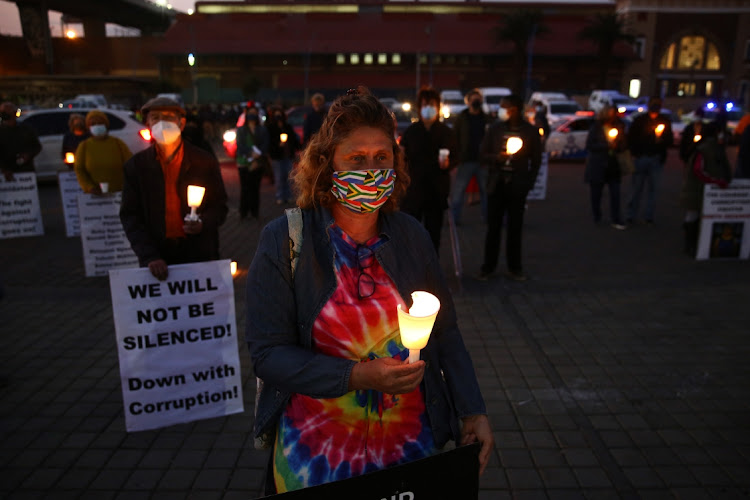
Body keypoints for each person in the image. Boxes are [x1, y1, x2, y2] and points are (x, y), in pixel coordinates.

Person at [246, 87, 493, 494]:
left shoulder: (410, 236)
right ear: (327, 166)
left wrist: (472, 410)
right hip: (317, 458)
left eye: (382, 158)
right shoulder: (285, 241)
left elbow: (445, 332)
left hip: (409, 454)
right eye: (356, 160)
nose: (371, 171)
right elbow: (268, 355)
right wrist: (358, 376)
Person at [120, 97, 228, 281]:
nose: (162, 123)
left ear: (182, 122)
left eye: (168, 117)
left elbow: (219, 206)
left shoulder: (203, 161)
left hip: (198, 252)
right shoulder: (136, 166)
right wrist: (149, 256)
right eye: (155, 118)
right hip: (157, 257)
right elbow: (131, 215)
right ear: (148, 124)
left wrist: (203, 223)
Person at [478, 94, 542, 282]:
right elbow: (483, 154)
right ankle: (488, 267)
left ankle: (515, 267)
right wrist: (496, 158)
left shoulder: (530, 132)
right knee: (493, 228)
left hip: (517, 186)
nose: (501, 110)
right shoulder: (495, 129)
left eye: (504, 106)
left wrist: (528, 183)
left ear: (514, 109)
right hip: (497, 184)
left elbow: (536, 160)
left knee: (515, 228)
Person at [400, 86, 458, 253]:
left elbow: (455, 156)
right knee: (411, 231)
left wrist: (449, 164)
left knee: (433, 232)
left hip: (436, 189)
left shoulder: (446, 132)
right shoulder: (412, 131)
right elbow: (402, 156)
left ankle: (431, 268)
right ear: (419, 108)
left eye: (432, 104)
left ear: (438, 107)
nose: (428, 108)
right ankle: (412, 265)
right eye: (425, 104)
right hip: (414, 189)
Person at [679, 126, 731, 256]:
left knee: (696, 216)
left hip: (705, 190)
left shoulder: (714, 149)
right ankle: (690, 243)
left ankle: (696, 243)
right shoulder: (704, 149)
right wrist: (716, 182)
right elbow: (698, 170)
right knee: (693, 216)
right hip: (697, 190)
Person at [625, 96, 673, 225]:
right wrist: (636, 153)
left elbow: (670, 141)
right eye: (653, 104)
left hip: (656, 158)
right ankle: (631, 214)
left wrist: (661, 140)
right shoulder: (640, 121)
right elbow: (631, 138)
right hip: (641, 157)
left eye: (658, 104)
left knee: (653, 189)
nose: (656, 106)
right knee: (636, 188)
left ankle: (649, 216)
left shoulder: (665, 121)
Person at [449, 88, 489, 225]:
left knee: (486, 192)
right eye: (474, 99)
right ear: (468, 102)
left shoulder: (486, 118)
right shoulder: (462, 117)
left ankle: (488, 218)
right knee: (458, 192)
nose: (476, 102)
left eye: (478, 99)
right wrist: (456, 157)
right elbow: (455, 137)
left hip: (483, 161)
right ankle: (455, 219)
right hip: (466, 160)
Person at [584, 105, 627, 229]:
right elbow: (590, 145)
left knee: (615, 194)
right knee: (596, 194)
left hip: (613, 165)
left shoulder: (619, 127)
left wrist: (618, 145)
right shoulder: (596, 128)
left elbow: (624, 145)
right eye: (610, 113)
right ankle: (597, 216)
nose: (612, 116)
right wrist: (606, 146)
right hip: (598, 166)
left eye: (614, 113)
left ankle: (616, 218)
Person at [73, 110, 132, 194]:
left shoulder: (118, 143)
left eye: (100, 123)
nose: (97, 126)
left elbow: (131, 165)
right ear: (88, 127)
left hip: (119, 194)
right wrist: (90, 188)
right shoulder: (84, 146)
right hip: (95, 198)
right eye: (93, 124)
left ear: (106, 125)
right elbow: (79, 170)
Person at [236, 103, 270, 219]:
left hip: (258, 162)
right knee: (245, 187)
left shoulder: (262, 129)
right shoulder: (241, 130)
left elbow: (265, 143)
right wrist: (250, 153)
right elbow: (240, 145)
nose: (253, 116)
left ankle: (255, 212)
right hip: (244, 162)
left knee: (255, 187)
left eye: (255, 114)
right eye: (250, 114)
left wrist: (258, 155)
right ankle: (243, 212)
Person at [266, 106, 301, 205]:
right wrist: (278, 145)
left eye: (280, 115)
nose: (278, 117)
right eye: (276, 115)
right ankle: (280, 196)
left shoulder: (287, 127)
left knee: (289, 177)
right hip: (277, 156)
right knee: (279, 177)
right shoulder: (271, 128)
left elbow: (294, 139)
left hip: (287, 155)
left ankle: (289, 196)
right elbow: (269, 143)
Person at [0, 101, 41, 181]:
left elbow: (37, 146)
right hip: (6, 173)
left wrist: (28, 155)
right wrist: (4, 169)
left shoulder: (26, 129)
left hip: (26, 171)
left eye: (6, 111)